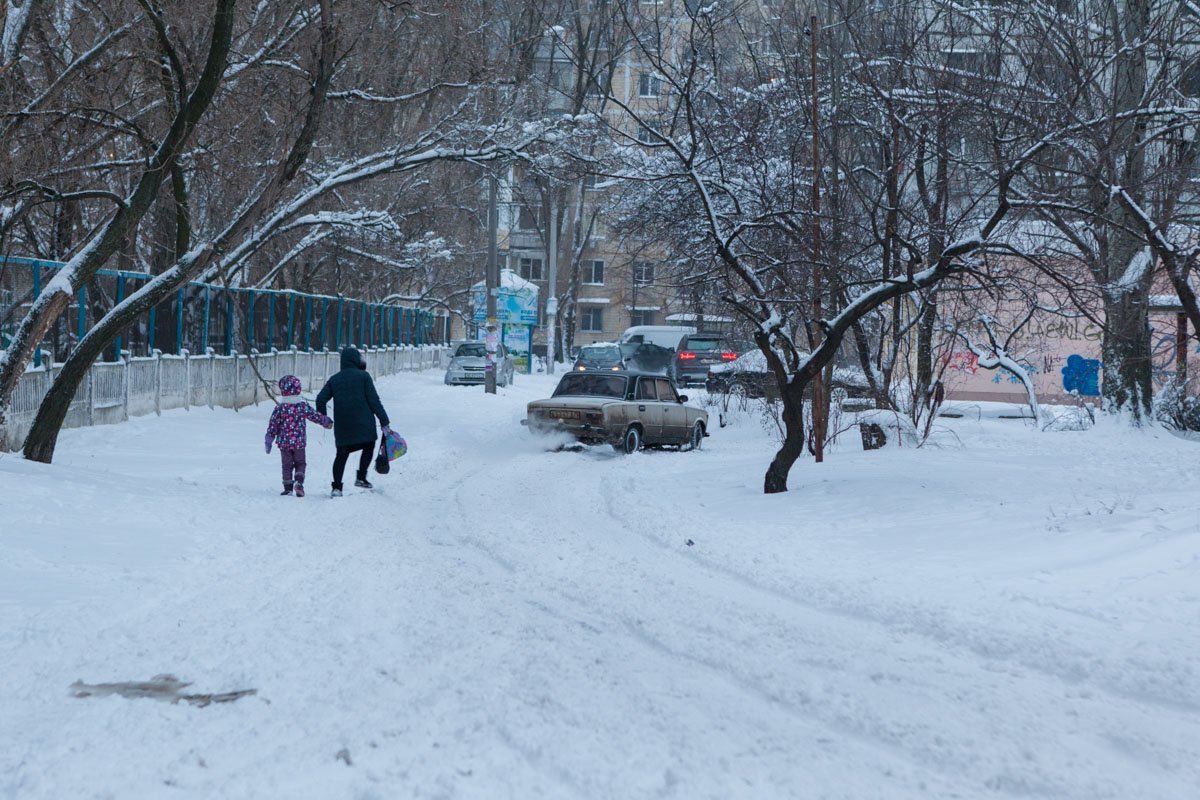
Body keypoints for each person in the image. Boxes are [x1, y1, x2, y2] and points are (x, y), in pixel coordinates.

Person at [316, 346, 391, 497]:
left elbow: (320, 399)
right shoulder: (364, 377)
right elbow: (374, 401)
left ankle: (337, 488)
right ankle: (361, 477)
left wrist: (323, 418)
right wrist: (384, 421)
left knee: (341, 454)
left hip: (343, 426)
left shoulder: (335, 379)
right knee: (369, 445)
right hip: (364, 425)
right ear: (356, 360)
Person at [264, 375, 332, 498]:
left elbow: (273, 424)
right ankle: (299, 482)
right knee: (300, 463)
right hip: (299, 442)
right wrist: (325, 421)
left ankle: (288, 488)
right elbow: (314, 415)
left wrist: (269, 439)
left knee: (287, 465)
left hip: (284, 443)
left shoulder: (280, 408)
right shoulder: (302, 406)